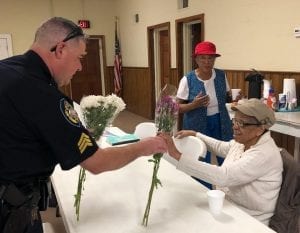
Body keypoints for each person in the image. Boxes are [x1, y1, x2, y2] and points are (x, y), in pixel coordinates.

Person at [0, 17, 167, 233]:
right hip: (10, 212)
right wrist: (145, 146)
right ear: (60, 49)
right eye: (79, 58)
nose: (79, 67)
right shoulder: (43, 94)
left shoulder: (7, 70)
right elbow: (96, 163)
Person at [162, 98, 283, 225]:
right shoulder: (246, 141)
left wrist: (177, 155)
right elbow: (222, 147)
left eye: (242, 123)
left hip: (250, 220)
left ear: (260, 129)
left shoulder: (263, 154)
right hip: (229, 207)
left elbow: (223, 176)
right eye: (235, 120)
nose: (235, 127)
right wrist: (195, 134)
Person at [176, 41, 233, 189]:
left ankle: (230, 191)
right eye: (203, 58)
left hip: (221, 122)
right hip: (196, 124)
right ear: (196, 59)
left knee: (227, 156)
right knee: (201, 159)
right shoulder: (187, 79)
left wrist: (235, 100)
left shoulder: (221, 75)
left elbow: (227, 97)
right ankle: (202, 192)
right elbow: (176, 107)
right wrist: (193, 105)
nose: (207, 62)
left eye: (211, 58)